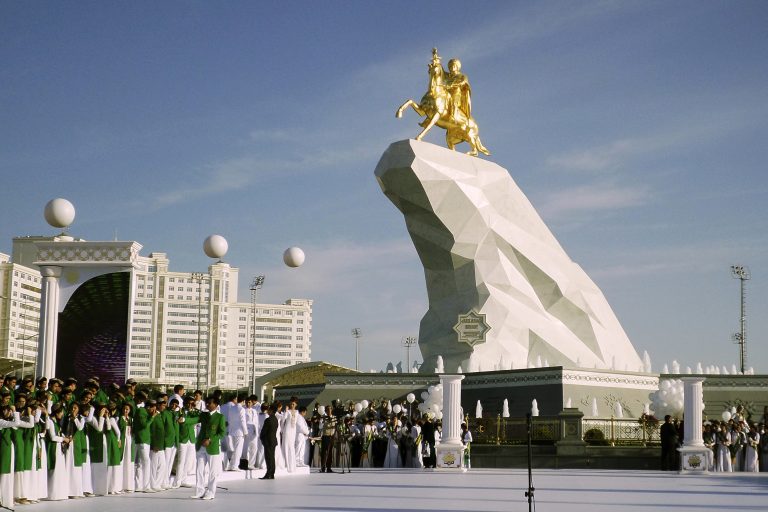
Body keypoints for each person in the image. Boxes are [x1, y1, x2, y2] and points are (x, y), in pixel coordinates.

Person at [194, 397, 225, 499]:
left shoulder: (220, 417)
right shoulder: (203, 414)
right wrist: (184, 419)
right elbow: (194, 419)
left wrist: (210, 439)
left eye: (209, 403)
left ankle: (211, 492)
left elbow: (222, 433)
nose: (207, 405)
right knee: (199, 469)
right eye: (206, 403)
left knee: (212, 472)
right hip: (201, 446)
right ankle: (200, 491)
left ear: (216, 405)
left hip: (212, 447)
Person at [259, 403, 278, 480]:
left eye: (269, 409)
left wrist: (262, 438)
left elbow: (263, 432)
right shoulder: (275, 419)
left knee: (268, 458)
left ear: (272, 410)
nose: (268, 411)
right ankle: (272, 473)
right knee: (272, 458)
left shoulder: (268, 420)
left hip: (268, 441)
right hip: (273, 441)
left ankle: (268, 474)